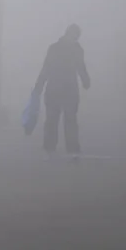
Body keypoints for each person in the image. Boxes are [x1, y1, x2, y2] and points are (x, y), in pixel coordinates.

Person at [34, 24, 90, 160]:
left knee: (54, 119)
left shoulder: (54, 48)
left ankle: (51, 147)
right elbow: (81, 67)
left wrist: (39, 86)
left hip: (55, 88)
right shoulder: (76, 49)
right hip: (67, 89)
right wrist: (85, 80)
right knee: (68, 119)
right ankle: (70, 148)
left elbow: (46, 68)